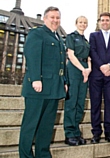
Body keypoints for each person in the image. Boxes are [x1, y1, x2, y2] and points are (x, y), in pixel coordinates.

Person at [19, 6, 67, 158]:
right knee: (30, 125)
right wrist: (35, 79)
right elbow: (32, 56)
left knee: (46, 127)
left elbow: (60, 63)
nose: (55, 20)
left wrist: (64, 81)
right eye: (52, 17)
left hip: (53, 89)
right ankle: (25, 155)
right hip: (38, 88)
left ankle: (43, 154)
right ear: (45, 18)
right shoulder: (37, 33)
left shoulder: (58, 38)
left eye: (57, 18)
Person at [89, 12, 110, 143]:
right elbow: (92, 51)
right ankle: (96, 132)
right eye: (102, 20)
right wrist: (102, 66)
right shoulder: (93, 35)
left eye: (107, 20)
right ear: (99, 22)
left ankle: (109, 131)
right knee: (95, 104)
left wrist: (109, 65)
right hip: (96, 75)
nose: (105, 22)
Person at [63, 16, 91, 146]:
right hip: (74, 69)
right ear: (76, 24)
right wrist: (82, 69)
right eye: (80, 22)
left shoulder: (86, 40)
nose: (83, 24)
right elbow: (71, 55)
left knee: (80, 103)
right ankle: (69, 134)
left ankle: (76, 132)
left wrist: (88, 69)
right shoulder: (71, 36)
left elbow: (89, 57)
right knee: (72, 102)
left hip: (84, 70)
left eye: (85, 22)